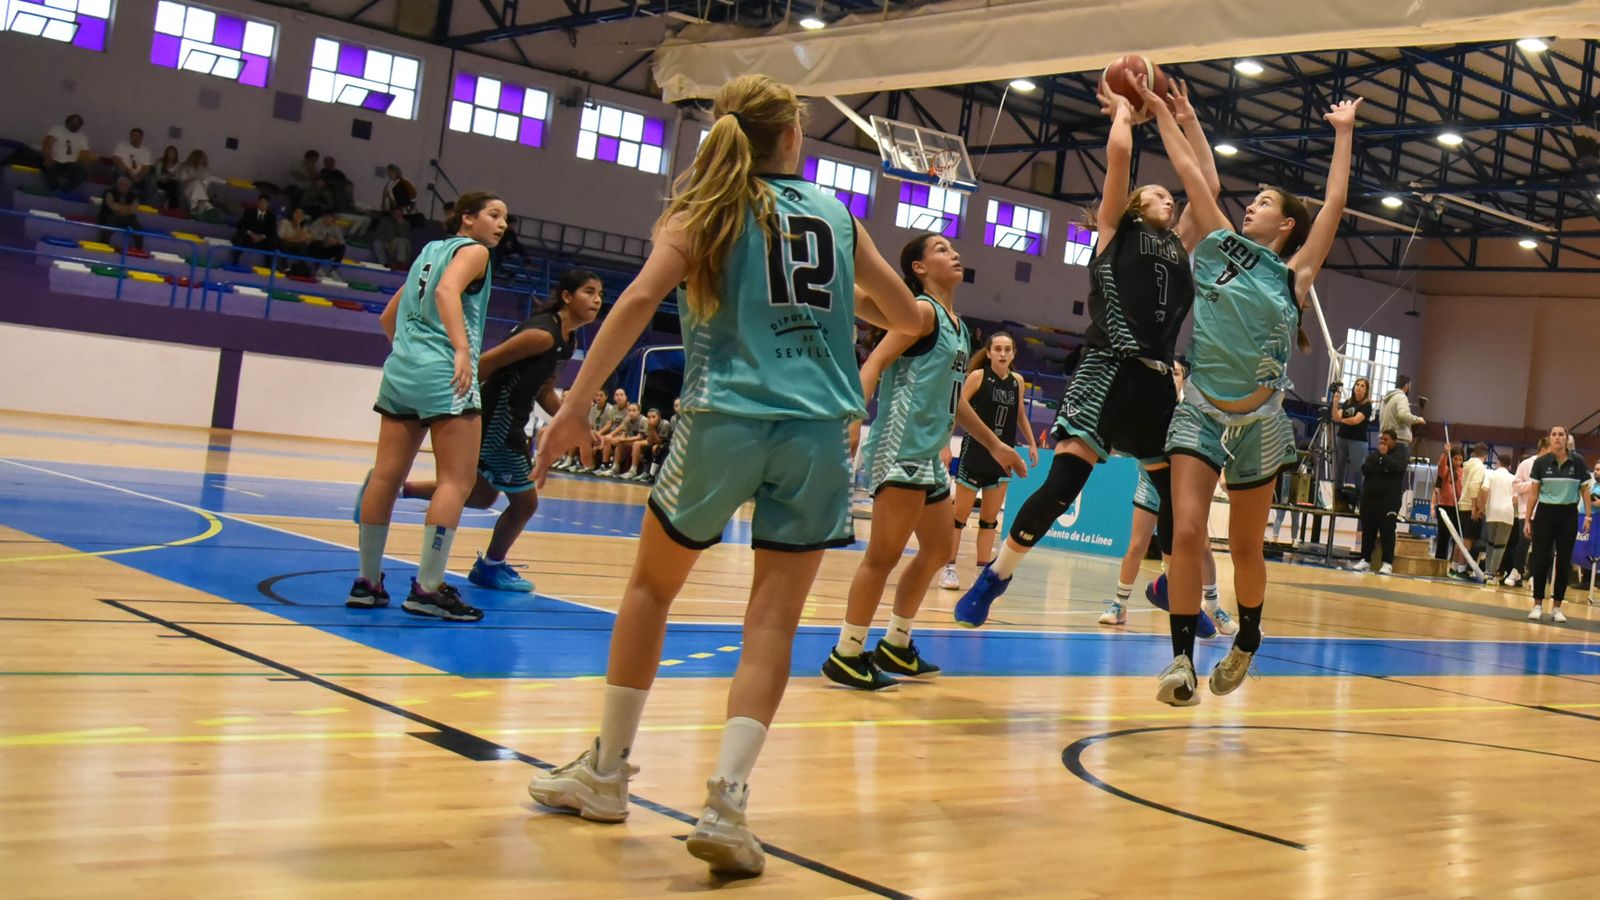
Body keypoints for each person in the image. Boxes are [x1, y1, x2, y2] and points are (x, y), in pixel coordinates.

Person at [525, 74, 923, 879]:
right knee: (771, 622)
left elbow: (639, 299)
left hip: (724, 419)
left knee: (650, 590)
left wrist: (572, 409)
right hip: (815, 433)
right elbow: (908, 317)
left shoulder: (707, 208)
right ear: (793, 139)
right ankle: (727, 803)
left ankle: (607, 774)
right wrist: (841, 308)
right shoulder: (839, 218)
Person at [952, 75, 1212, 630]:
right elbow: (1119, 158)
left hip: (1157, 381)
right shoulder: (1116, 231)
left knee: (1175, 501)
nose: (1170, 198)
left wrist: (1187, 121)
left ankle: (1172, 586)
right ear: (1137, 204)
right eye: (1159, 193)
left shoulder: (1179, 245)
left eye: (1172, 195)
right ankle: (994, 577)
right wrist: (1122, 111)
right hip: (1106, 369)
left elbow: (1206, 185)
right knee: (1062, 484)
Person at [1137, 71, 1363, 705]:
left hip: (1261, 421)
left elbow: (1336, 204)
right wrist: (1166, 113)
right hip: (1201, 410)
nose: (1250, 207)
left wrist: (1343, 134)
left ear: (1287, 224)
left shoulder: (1296, 273)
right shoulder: (1217, 243)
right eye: (1252, 201)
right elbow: (1188, 169)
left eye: (1264, 203)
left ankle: (1247, 642)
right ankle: (1179, 660)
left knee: (1243, 546)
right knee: (1183, 533)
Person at [822, 234, 1026, 691]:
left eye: (954, 246)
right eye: (939, 248)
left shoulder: (955, 324)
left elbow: (953, 402)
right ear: (917, 267)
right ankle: (847, 651)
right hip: (900, 449)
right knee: (883, 555)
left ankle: (896, 643)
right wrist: (855, 416)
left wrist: (996, 445)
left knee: (936, 551)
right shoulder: (921, 312)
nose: (954, 252)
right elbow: (873, 363)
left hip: (928, 457)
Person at [344, 191, 508, 623]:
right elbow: (449, 292)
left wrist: (411, 357)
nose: (502, 224)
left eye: (506, 219)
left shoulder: (428, 252)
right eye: (493, 215)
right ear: (466, 219)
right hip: (444, 374)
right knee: (457, 480)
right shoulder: (473, 252)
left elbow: (388, 317)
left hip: (401, 371)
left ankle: (367, 583)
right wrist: (457, 349)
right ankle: (428, 588)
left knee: (385, 476)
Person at [400, 269, 603, 592]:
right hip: (498, 425)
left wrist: (578, 424)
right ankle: (490, 567)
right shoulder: (543, 335)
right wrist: (449, 410)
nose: (597, 300)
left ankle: (398, 488)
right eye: (589, 292)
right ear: (566, 296)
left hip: (508, 423)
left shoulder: (566, 340)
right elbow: (483, 364)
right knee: (525, 504)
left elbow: (543, 392)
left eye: (600, 295)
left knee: (481, 495)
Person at [940, 332, 1039, 590]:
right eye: (998, 349)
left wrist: (1031, 442)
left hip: (1002, 459)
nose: (1003, 353)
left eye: (1008, 349)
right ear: (989, 352)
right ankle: (948, 569)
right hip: (974, 454)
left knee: (989, 520)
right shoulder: (977, 377)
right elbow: (955, 408)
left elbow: (1020, 416)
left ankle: (980, 574)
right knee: (958, 516)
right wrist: (944, 445)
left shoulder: (1018, 381)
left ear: (1014, 353)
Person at [1525, 425, 1594, 622]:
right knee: (1541, 559)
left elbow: (1585, 492)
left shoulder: (1578, 462)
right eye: (1553, 435)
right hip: (1545, 514)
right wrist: (1528, 519)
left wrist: (1588, 516)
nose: (1557, 438)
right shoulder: (1540, 463)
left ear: (1566, 439)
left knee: (1563, 561)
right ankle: (1537, 604)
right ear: (1549, 439)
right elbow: (1533, 493)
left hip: (1568, 515)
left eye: (1561, 435)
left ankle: (1557, 608)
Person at [1352, 430, 1407, 574]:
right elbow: (1366, 469)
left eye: (1386, 440)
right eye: (1381, 440)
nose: (1382, 443)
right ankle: (1365, 560)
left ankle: (1387, 562)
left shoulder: (1401, 454)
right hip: (1370, 500)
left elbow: (1396, 468)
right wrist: (1383, 466)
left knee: (1387, 532)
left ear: (1394, 440)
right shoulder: (1373, 455)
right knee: (1368, 531)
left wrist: (1384, 458)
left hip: (1389, 501)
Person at [1503, 437, 1549, 586]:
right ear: (1543, 449)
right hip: (1526, 511)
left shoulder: (1552, 466)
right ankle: (1516, 570)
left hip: (1544, 511)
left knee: (1540, 546)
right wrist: (1532, 485)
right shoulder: (1526, 464)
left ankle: (1534, 575)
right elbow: (1515, 485)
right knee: (1523, 542)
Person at [1477, 451, 1518, 582]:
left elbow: (1484, 490)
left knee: (1490, 543)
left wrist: (1482, 507)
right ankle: (1492, 573)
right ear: (1509, 466)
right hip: (1507, 513)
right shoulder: (1513, 478)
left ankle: (1487, 570)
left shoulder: (1490, 474)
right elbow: (1516, 499)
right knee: (1500, 545)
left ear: (1498, 463)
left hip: (1492, 512)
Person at [1331, 376, 1372, 497]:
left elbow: (1355, 420)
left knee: (1357, 469)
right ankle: (1337, 494)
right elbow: (1335, 417)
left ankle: (1361, 495)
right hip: (1342, 438)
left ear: (1366, 391)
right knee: (1339, 467)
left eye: (1362, 386)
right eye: (1357, 385)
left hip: (1358, 441)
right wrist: (1335, 403)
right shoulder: (1347, 403)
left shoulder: (1366, 405)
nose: (1359, 387)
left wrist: (1341, 419)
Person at [1432, 445, 1466, 571]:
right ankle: (1439, 564)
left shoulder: (1463, 472)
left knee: (1457, 537)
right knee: (1443, 536)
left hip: (1458, 508)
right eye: (1455, 459)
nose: (1457, 462)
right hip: (1444, 506)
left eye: (1460, 460)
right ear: (1451, 459)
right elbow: (1441, 469)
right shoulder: (1446, 470)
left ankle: (1454, 564)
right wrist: (1444, 454)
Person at [41, 114, 93, 193]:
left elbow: (85, 155)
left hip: (71, 164)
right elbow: (47, 143)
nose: (75, 126)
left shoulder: (82, 137)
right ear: (67, 122)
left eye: (77, 124)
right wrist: (48, 157)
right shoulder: (57, 129)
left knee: (82, 171)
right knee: (48, 166)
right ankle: (55, 189)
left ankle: (64, 192)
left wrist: (86, 165)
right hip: (55, 160)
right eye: (73, 123)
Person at [112, 128, 158, 206]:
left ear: (141, 137)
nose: (134, 138)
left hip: (138, 175)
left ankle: (145, 204)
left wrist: (139, 176)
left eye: (137, 136)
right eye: (132, 135)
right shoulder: (122, 145)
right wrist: (129, 172)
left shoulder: (146, 151)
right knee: (120, 171)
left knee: (152, 179)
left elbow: (146, 167)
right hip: (125, 171)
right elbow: (116, 160)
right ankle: (119, 200)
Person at [1378, 375, 1424, 451]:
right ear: (1406, 385)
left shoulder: (1387, 398)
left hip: (1385, 438)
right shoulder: (1401, 397)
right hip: (1398, 440)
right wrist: (1418, 419)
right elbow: (1404, 415)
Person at [97, 175, 143, 251]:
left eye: (126, 185)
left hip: (128, 218)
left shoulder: (134, 196)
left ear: (129, 187)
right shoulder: (109, 192)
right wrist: (127, 207)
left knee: (138, 227)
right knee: (109, 224)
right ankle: (103, 245)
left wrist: (119, 208)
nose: (123, 187)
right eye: (121, 185)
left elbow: (133, 210)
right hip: (110, 216)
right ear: (117, 184)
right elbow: (111, 205)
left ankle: (139, 249)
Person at [232, 194, 278, 265]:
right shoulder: (249, 212)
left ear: (267, 204)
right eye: (261, 202)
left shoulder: (271, 217)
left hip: (262, 240)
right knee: (239, 235)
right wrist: (251, 234)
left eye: (264, 203)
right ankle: (235, 260)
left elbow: (272, 231)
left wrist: (261, 237)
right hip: (249, 237)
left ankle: (269, 264)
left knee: (274, 239)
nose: (262, 204)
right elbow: (241, 225)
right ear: (258, 203)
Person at [176, 150, 221, 218]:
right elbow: (181, 180)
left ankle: (194, 209)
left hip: (199, 192)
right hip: (187, 189)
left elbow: (209, 178)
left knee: (198, 186)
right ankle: (206, 207)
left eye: (204, 158)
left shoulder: (203, 169)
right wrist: (192, 178)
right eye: (201, 157)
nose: (203, 160)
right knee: (196, 183)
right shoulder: (185, 166)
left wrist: (225, 182)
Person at [154, 145, 182, 210]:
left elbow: (178, 177)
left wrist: (172, 177)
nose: (171, 155)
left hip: (172, 184)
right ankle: (173, 208)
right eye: (170, 153)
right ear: (166, 153)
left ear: (176, 155)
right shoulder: (160, 162)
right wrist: (167, 177)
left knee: (173, 184)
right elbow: (158, 176)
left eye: (173, 153)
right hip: (161, 183)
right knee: (173, 184)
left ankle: (171, 208)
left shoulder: (178, 165)